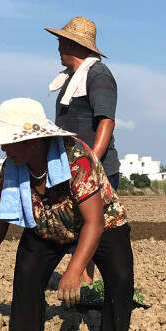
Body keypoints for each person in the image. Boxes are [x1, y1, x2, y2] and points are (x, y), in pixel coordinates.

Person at [0, 98, 134, 331]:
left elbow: (94, 222)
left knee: (120, 277)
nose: (2, 148)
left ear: (31, 141)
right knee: (26, 277)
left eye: (8, 142)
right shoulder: (13, 166)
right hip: (48, 227)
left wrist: (74, 270)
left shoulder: (76, 158)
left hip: (102, 223)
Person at [48, 16, 119, 284]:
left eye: (61, 42)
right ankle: (85, 283)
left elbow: (106, 121)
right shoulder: (71, 79)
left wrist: (92, 164)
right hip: (72, 167)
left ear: (74, 45)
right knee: (80, 227)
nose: (57, 48)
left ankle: (88, 282)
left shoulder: (97, 74)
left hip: (92, 170)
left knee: (94, 228)